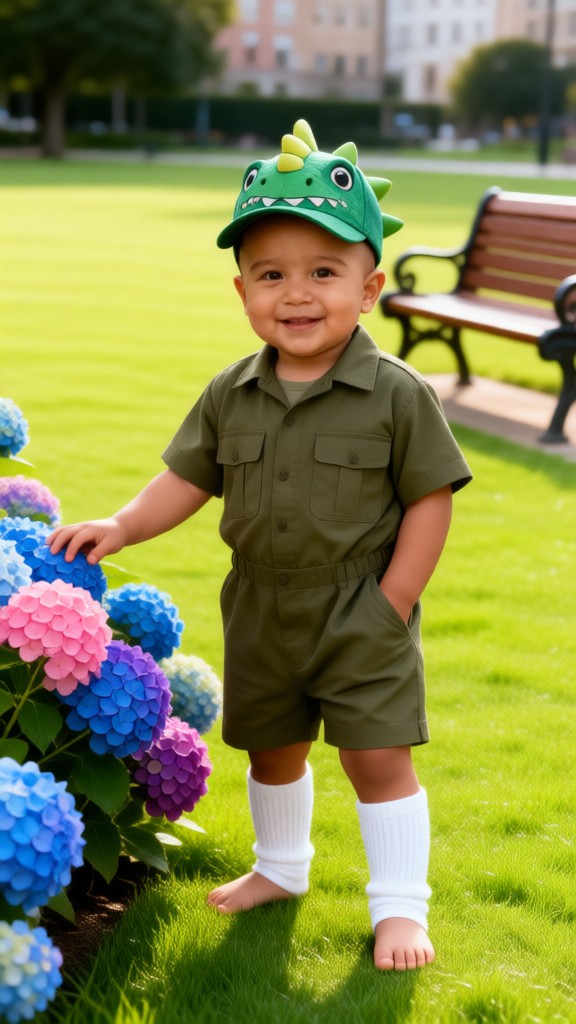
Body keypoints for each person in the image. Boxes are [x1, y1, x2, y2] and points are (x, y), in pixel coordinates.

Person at [48, 120, 472, 972]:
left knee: (375, 754)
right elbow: (187, 478)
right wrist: (124, 525)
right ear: (242, 290)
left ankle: (400, 910)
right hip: (260, 600)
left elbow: (431, 498)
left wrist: (392, 600)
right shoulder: (230, 392)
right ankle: (280, 868)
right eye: (272, 275)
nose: (298, 294)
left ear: (370, 285)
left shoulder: (396, 394)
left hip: (361, 600)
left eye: (324, 272)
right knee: (272, 746)